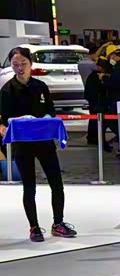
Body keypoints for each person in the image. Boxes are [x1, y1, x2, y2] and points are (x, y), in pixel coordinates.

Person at [0, 47, 77, 242]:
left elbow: (50, 109)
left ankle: (58, 223)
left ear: (30, 64)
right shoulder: (7, 90)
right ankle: (34, 227)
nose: (20, 68)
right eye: (15, 64)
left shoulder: (40, 86)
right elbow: (4, 118)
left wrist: (49, 118)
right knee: (29, 187)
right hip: (23, 144)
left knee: (56, 184)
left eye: (23, 63)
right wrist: (9, 124)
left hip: (44, 142)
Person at [85, 59, 113, 152]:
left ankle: (93, 138)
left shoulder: (93, 76)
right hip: (98, 103)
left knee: (94, 121)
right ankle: (100, 141)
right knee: (100, 123)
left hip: (95, 102)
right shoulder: (96, 77)